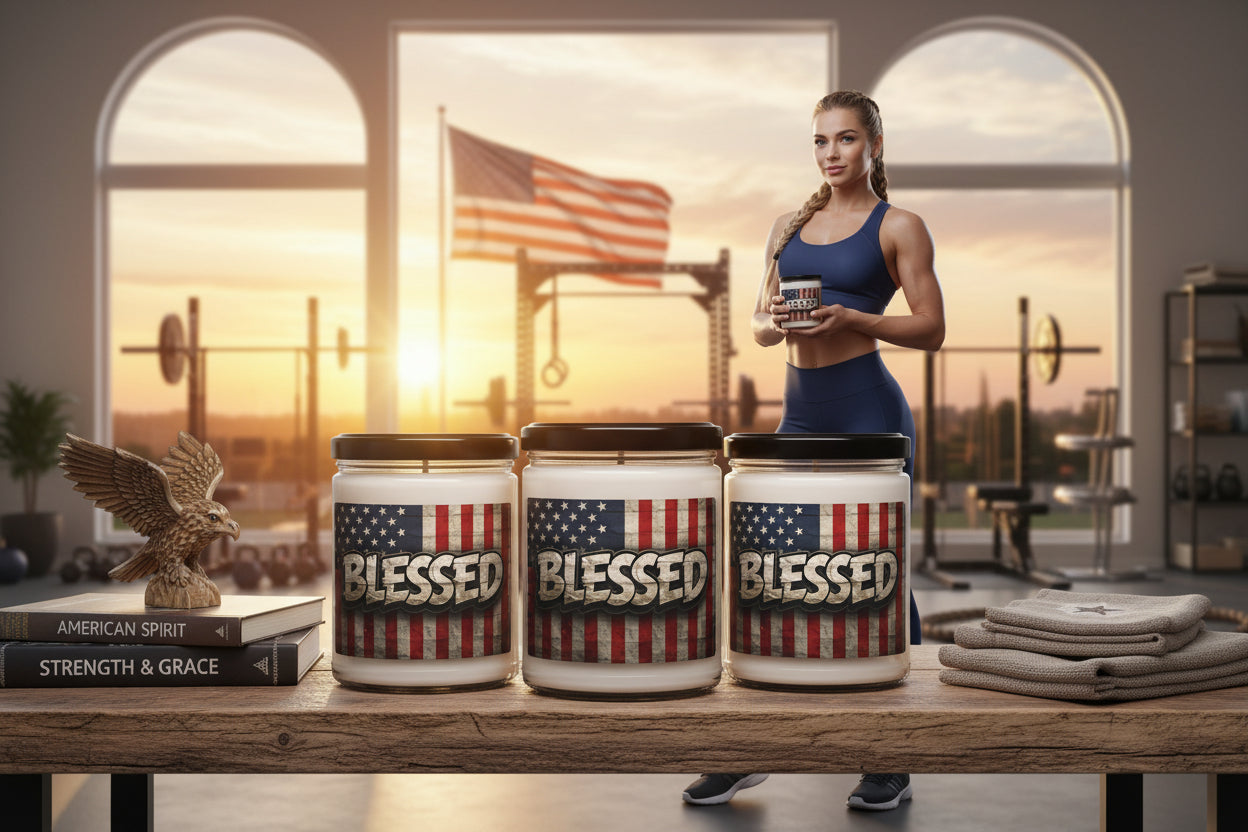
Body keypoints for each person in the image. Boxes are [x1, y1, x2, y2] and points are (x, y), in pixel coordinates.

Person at [682, 90, 945, 812]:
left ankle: (891, 756)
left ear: (876, 145)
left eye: (847, 139)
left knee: (876, 572)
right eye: (822, 142)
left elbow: (931, 327)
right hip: (801, 413)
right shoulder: (786, 224)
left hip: (868, 410)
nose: (833, 154)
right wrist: (771, 330)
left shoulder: (901, 226)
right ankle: (749, 749)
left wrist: (854, 316)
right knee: (773, 572)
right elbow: (764, 318)